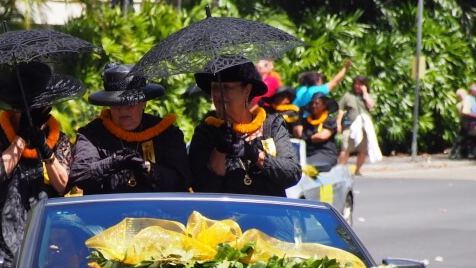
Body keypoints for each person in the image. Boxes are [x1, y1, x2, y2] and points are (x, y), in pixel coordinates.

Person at [0, 62, 81, 261]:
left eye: (41, 106)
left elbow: (63, 185)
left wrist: (45, 150)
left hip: (42, 228)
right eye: (28, 106)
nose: (35, 112)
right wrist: (21, 138)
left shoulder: (60, 139)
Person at [70, 63, 191, 194]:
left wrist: (148, 168)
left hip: (156, 211)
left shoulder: (167, 133)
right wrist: (113, 162)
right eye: (116, 104)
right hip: (107, 211)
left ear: (143, 102)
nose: (123, 110)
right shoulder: (92, 134)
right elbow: (80, 175)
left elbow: (183, 181)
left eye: (130, 104)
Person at [188, 57, 301, 196]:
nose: (218, 95)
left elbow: (292, 174)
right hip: (224, 216)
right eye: (215, 88)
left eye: (226, 88)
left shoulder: (272, 126)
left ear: (247, 90)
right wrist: (220, 150)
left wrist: (254, 153)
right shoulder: (206, 132)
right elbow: (202, 189)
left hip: (270, 215)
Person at [336, 75, 382, 175]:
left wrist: (365, 93)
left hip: (364, 127)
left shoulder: (368, 95)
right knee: (346, 148)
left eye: (360, 84)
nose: (357, 86)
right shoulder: (348, 95)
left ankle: (357, 170)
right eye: (356, 84)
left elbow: (371, 105)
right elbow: (341, 109)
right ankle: (340, 169)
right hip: (349, 126)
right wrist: (338, 123)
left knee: (363, 149)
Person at [293, 92, 339, 171]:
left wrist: (306, 137)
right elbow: (298, 134)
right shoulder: (306, 121)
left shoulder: (329, 120)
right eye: (312, 104)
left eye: (317, 103)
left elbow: (322, 136)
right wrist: (299, 120)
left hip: (325, 152)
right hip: (307, 152)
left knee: (306, 165)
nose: (313, 106)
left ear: (324, 105)